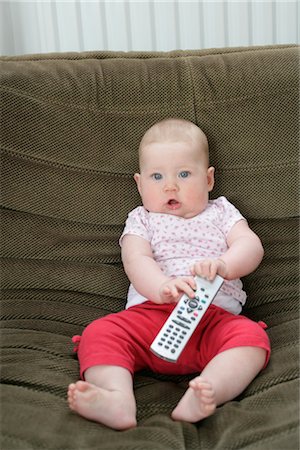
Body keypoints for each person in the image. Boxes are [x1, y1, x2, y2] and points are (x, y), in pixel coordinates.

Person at [67, 118, 271, 430]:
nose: (170, 186)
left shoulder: (222, 212)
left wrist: (225, 265)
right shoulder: (141, 220)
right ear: (139, 184)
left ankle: (209, 390)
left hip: (212, 321)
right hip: (149, 318)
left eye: (184, 174)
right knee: (99, 333)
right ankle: (116, 397)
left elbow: (250, 245)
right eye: (157, 176)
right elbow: (135, 260)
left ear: (209, 179)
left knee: (252, 339)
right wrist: (161, 286)